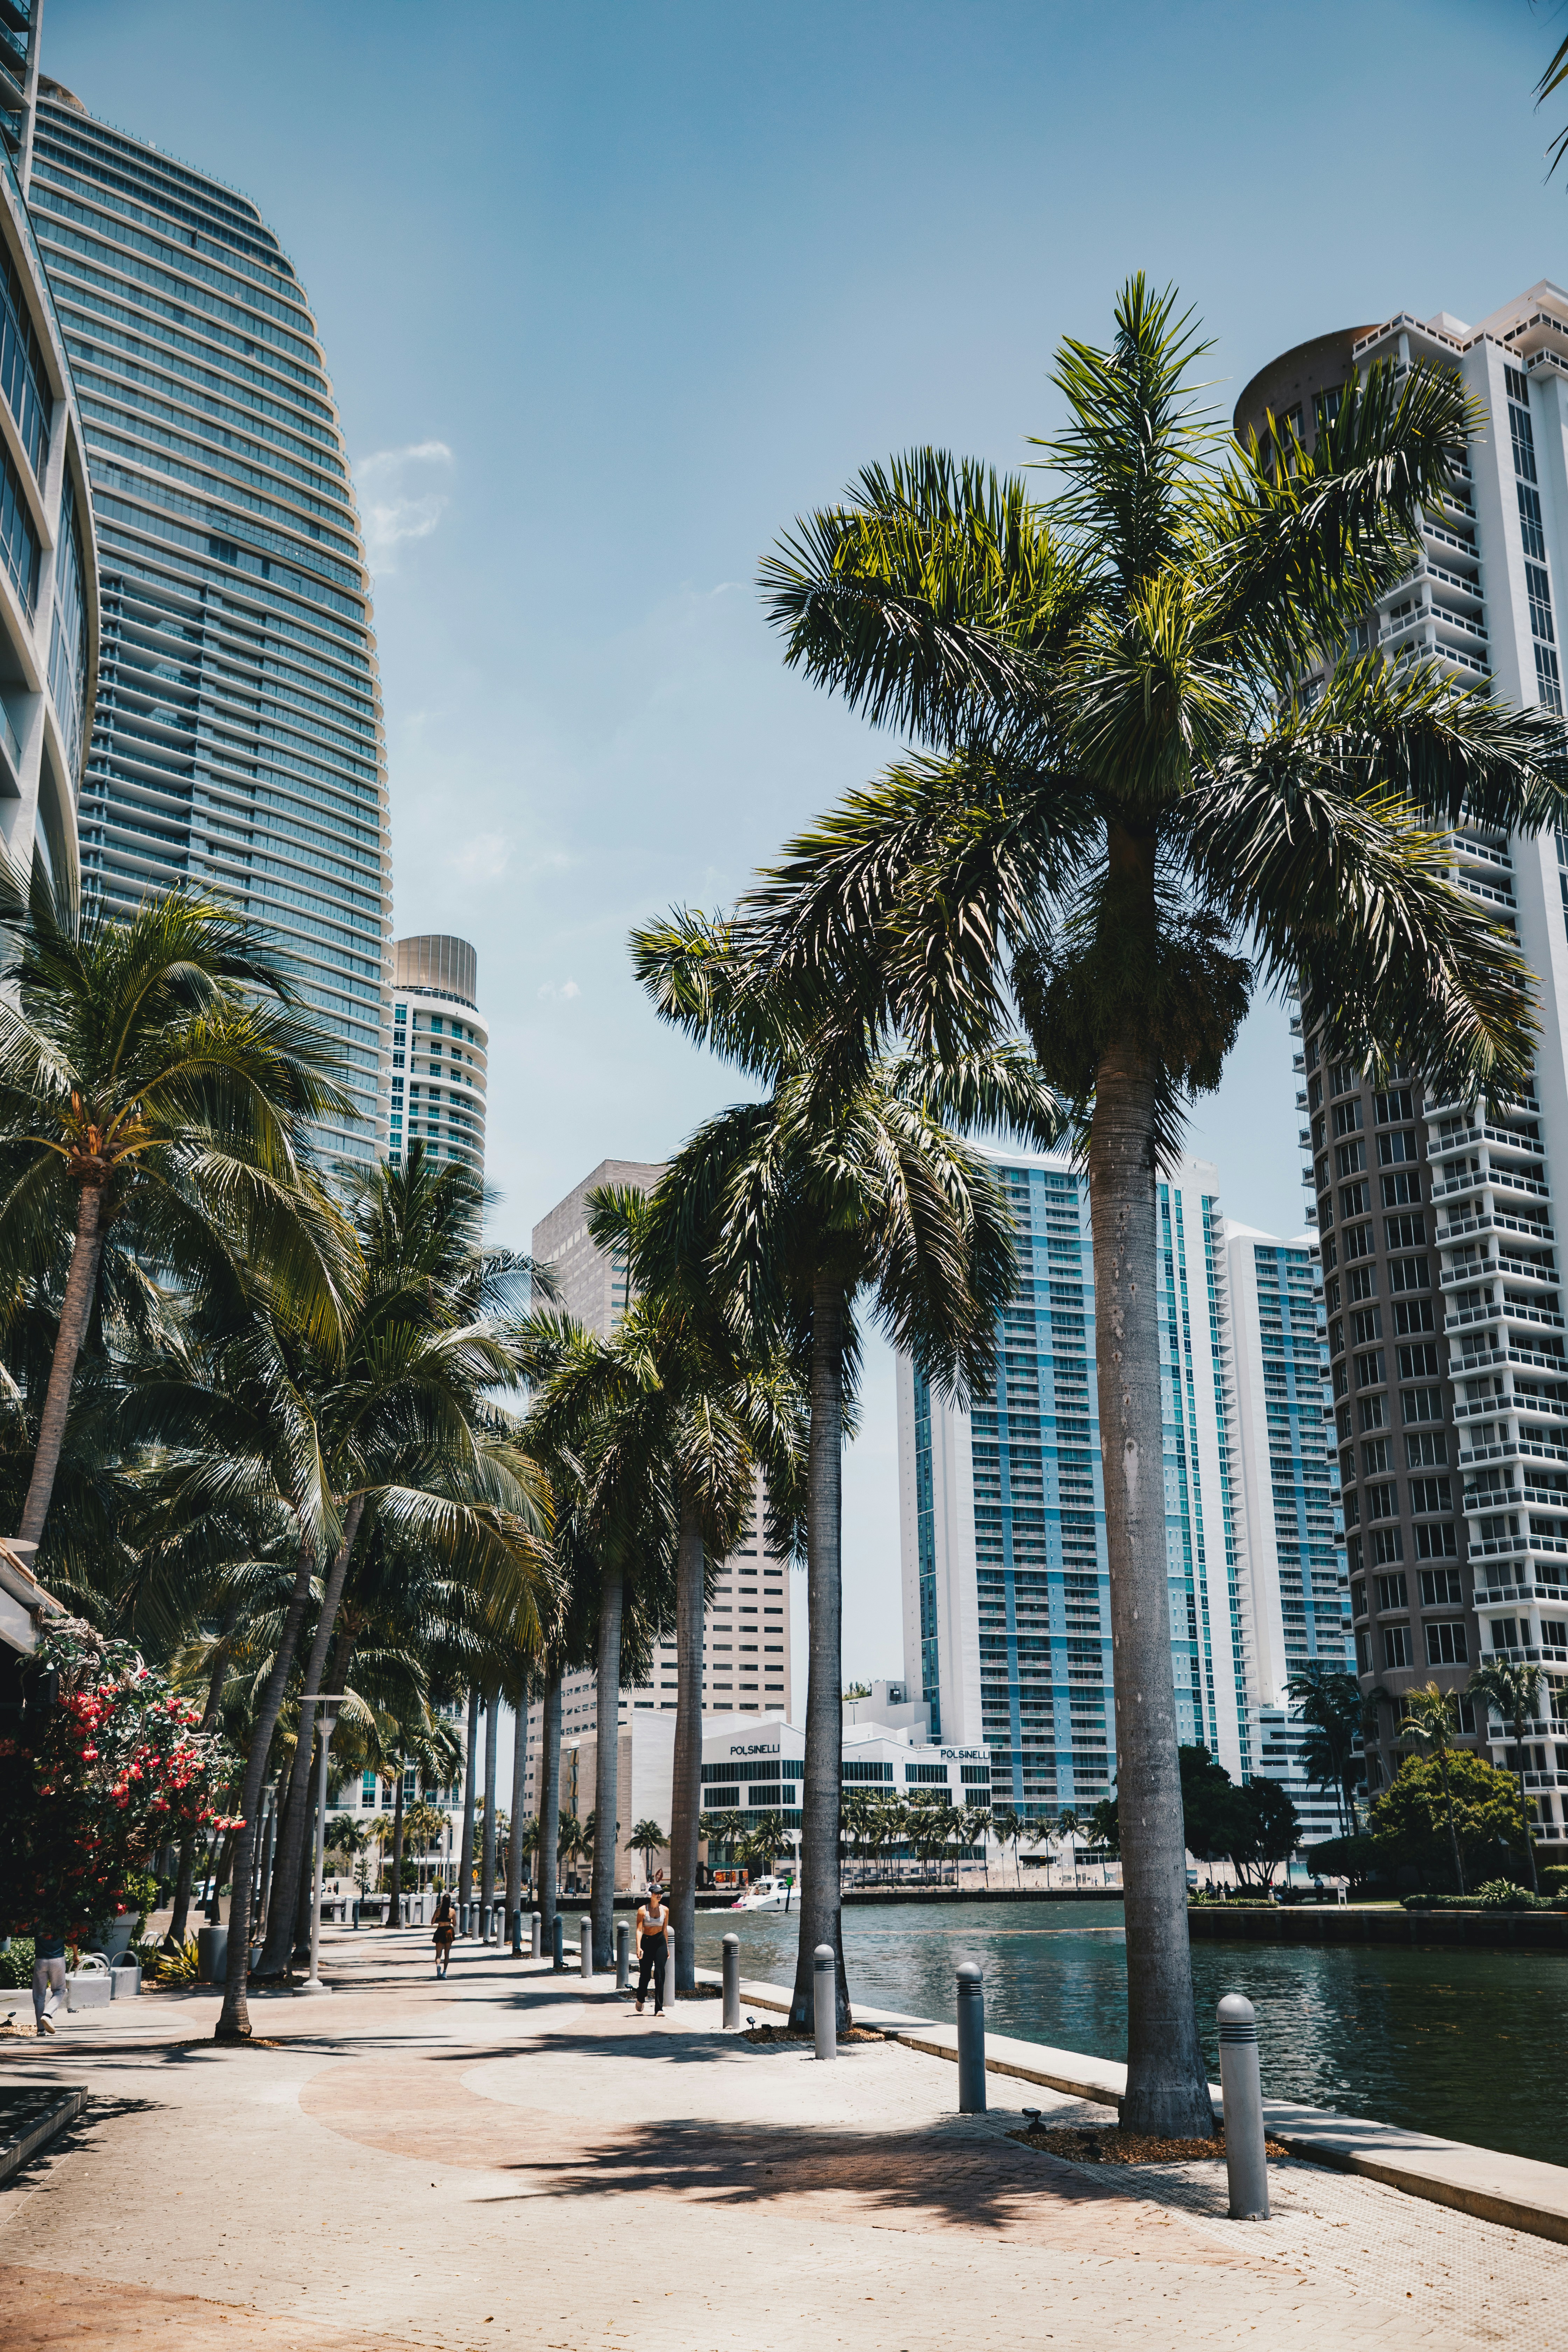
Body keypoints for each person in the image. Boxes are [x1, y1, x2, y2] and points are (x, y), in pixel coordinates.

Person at [634, 1885, 669, 2016]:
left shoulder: (665, 1910)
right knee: (646, 1975)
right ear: (651, 1894)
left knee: (660, 1974)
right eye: (657, 1893)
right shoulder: (643, 1910)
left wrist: (667, 1947)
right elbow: (639, 1930)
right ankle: (641, 1997)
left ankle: (659, 2008)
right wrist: (638, 1947)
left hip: (660, 1943)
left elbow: (665, 1930)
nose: (659, 1895)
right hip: (647, 1943)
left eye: (661, 1893)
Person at [32, 1930, 67, 2036]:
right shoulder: (62, 1922)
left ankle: (41, 2030)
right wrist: (76, 1955)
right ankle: (47, 2015)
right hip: (58, 1960)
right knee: (60, 1990)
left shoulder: (38, 1921)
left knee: (39, 1995)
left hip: (40, 1961)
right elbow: (74, 1940)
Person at [432, 1889, 456, 1979]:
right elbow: (455, 1924)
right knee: (447, 1954)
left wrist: (439, 1919)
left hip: (440, 1931)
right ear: (450, 1901)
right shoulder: (452, 1911)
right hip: (449, 1932)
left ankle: (438, 1968)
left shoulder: (438, 1911)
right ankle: (445, 1973)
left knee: (438, 1954)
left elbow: (432, 1922)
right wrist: (450, 1920)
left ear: (442, 1901)